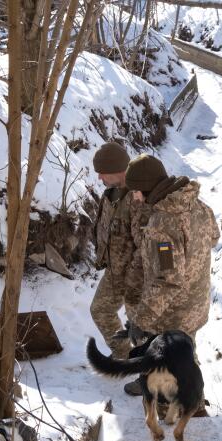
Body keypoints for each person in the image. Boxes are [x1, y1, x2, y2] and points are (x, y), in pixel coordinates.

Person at [121, 154, 220, 397]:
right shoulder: (198, 205)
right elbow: (214, 237)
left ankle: (188, 404)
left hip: (174, 309)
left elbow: (167, 280)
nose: (134, 197)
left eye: (135, 191)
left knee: (177, 358)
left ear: (147, 187)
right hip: (196, 299)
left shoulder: (162, 223)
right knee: (184, 351)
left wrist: (141, 319)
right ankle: (155, 383)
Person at [89, 142, 134, 359]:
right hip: (115, 271)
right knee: (100, 309)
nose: (99, 178)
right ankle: (124, 354)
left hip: (137, 275)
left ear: (118, 170)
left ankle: (150, 374)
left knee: (145, 325)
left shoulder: (139, 197)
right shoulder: (111, 193)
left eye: (102, 173)